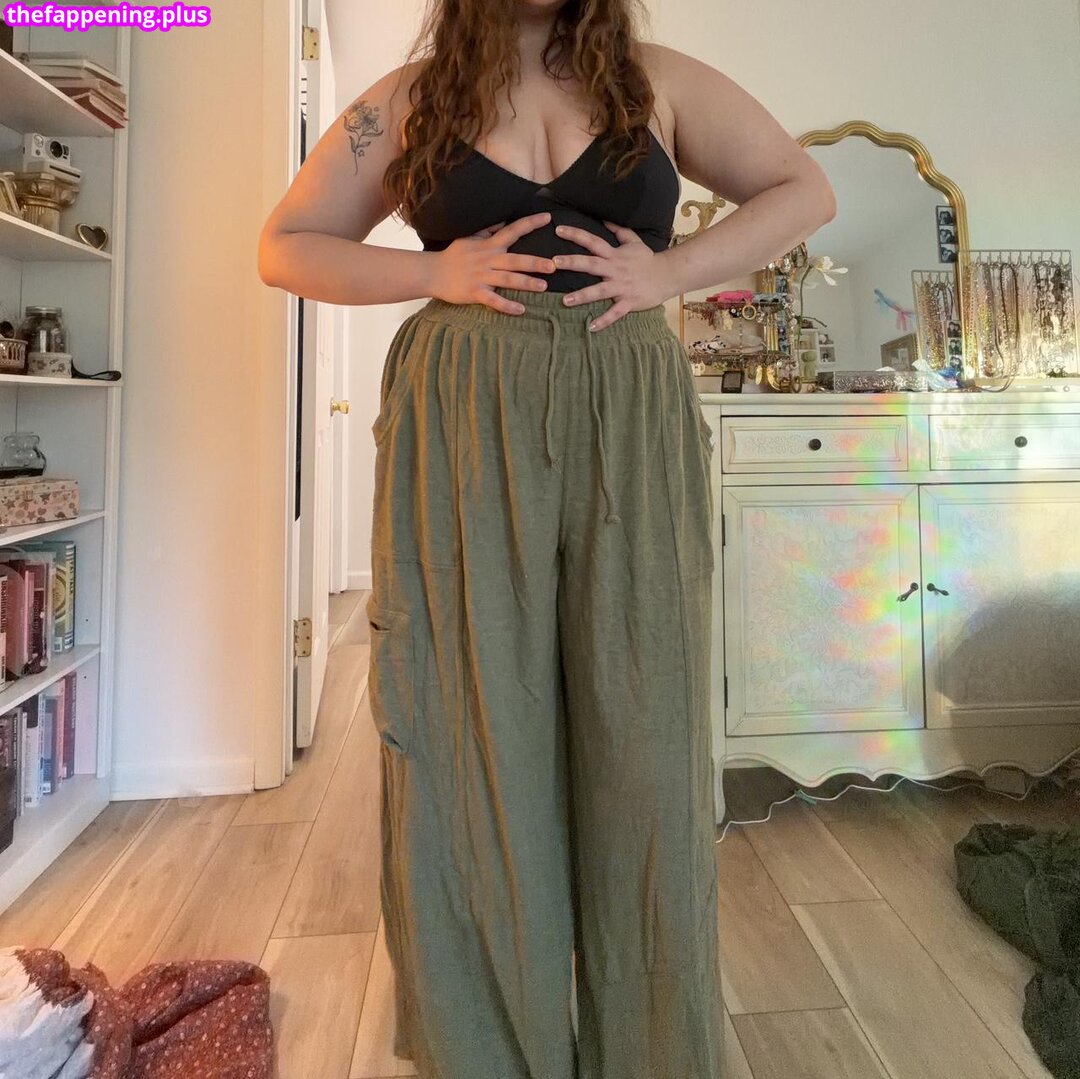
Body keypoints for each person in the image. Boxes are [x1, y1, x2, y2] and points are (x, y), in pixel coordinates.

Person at [258, 1, 835, 1075]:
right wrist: (432, 272)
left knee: (648, 729)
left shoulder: (656, 79)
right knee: (465, 729)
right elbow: (283, 245)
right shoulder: (412, 99)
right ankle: (490, 1052)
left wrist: (670, 271)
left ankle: (653, 1054)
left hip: (630, 411)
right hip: (464, 417)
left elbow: (804, 188)